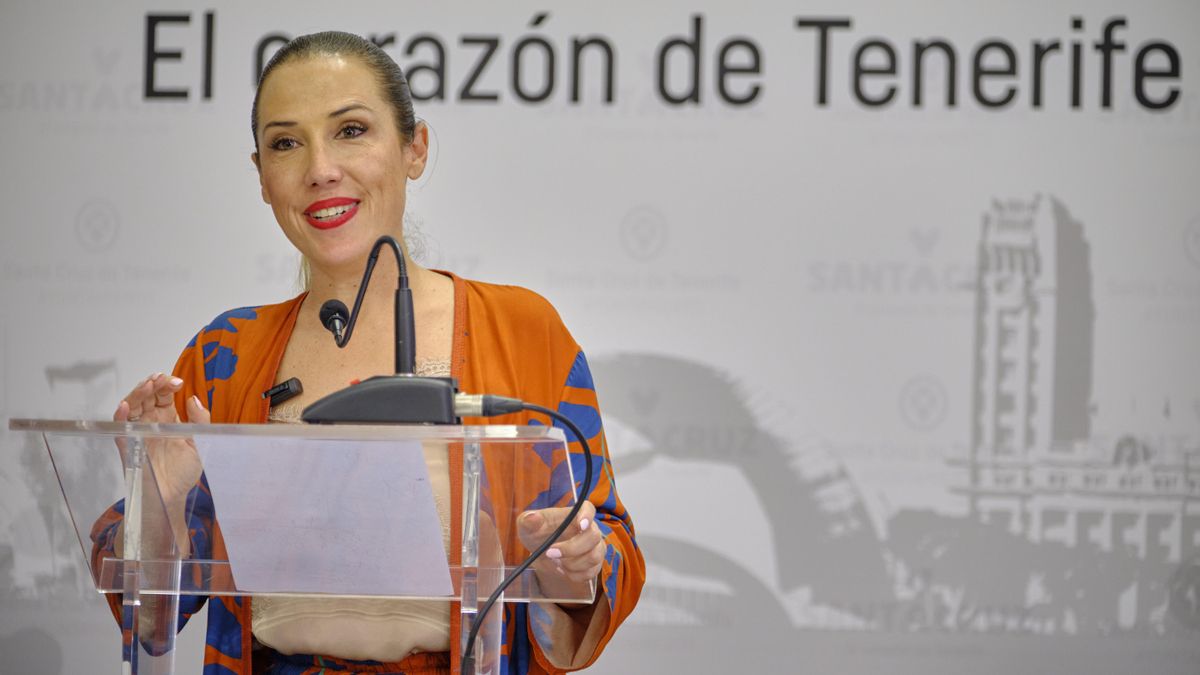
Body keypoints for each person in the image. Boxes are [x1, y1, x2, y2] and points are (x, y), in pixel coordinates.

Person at [90, 31, 644, 675]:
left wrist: (576, 560)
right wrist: (160, 496)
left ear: (415, 148)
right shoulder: (224, 354)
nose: (320, 168)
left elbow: (608, 550)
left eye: (351, 130)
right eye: (286, 143)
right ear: (263, 178)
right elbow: (147, 613)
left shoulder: (523, 330)